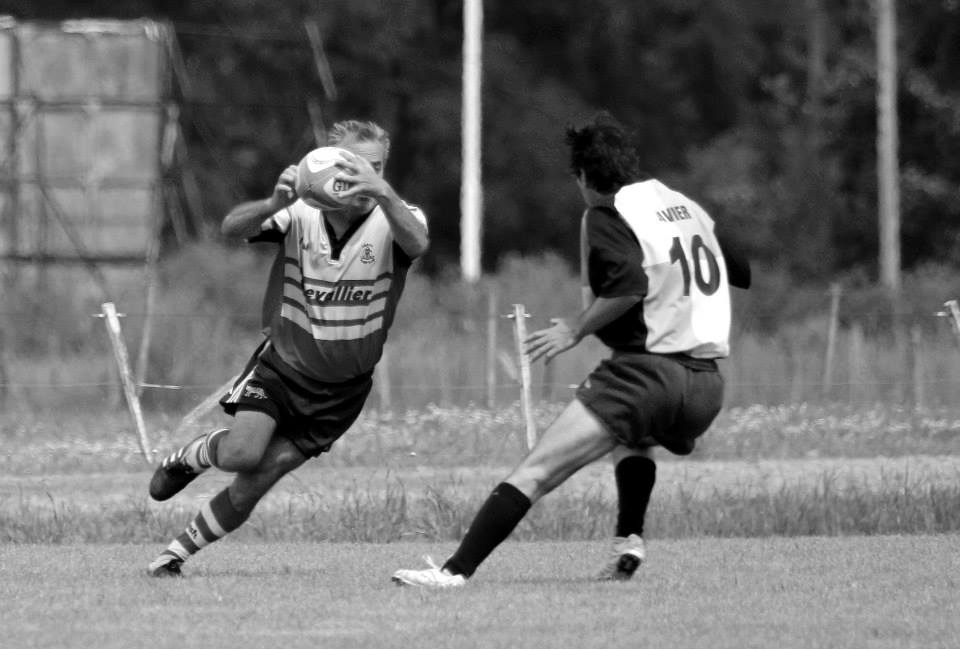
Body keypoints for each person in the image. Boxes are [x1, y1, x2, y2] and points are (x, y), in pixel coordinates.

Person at [392, 112, 750, 588]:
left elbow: (629, 286)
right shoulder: (681, 205)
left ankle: (453, 573)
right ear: (627, 162)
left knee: (535, 471)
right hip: (705, 386)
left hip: (647, 377)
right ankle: (628, 541)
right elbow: (741, 269)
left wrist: (574, 330)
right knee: (634, 437)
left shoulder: (608, 213)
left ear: (582, 176)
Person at [147, 119, 429, 577]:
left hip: (341, 391)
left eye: (375, 167)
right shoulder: (300, 213)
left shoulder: (399, 217)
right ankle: (193, 456)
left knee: (258, 479)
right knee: (241, 455)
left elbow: (418, 243)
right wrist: (272, 203)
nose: (365, 176)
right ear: (329, 165)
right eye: (354, 166)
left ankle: (171, 557)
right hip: (282, 367)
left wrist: (383, 193)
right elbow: (230, 228)